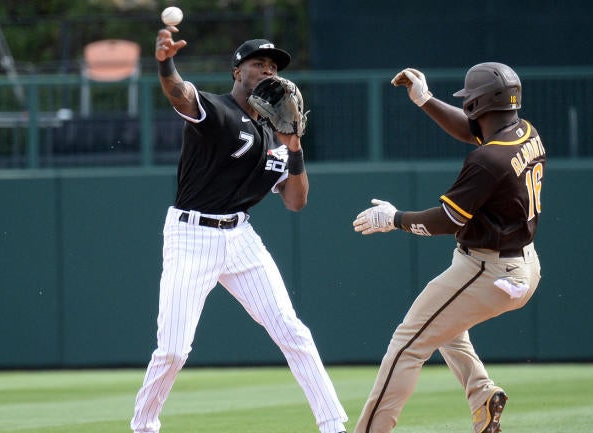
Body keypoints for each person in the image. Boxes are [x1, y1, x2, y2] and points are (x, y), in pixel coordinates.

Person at [130, 25, 348, 433]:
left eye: (273, 67)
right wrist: (165, 63)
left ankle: (333, 425)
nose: (267, 70)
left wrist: (295, 147)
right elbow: (179, 93)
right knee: (174, 350)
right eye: (258, 63)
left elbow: (296, 201)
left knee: (293, 332)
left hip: (241, 238)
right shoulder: (216, 111)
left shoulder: (275, 137)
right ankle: (144, 426)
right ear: (237, 71)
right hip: (192, 234)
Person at [351, 63, 546, 433]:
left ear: (477, 104)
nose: (467, 106)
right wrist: (425, 99)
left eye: (469, 100)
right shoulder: (526, 132)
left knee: (407, 345)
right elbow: (474, 130)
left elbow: (447, 220)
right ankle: (482, 395)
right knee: (445, 326)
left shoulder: (488, 160)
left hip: (488, 271)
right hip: (521, 264)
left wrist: (394, 218)